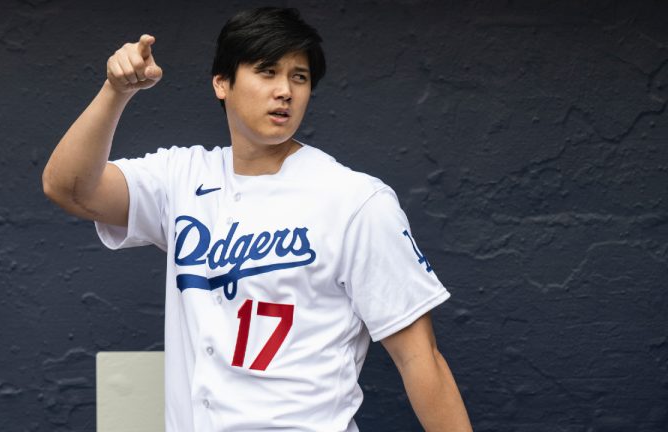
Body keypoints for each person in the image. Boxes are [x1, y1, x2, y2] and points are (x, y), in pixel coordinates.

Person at [43, 7, 472, 432]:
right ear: (222, 83)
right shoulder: (183, 178)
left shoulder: (356, 200)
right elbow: (69, 188)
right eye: (266, 71)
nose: (285, 90)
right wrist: (116, 91)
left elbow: (421, 359)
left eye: (298, 77)